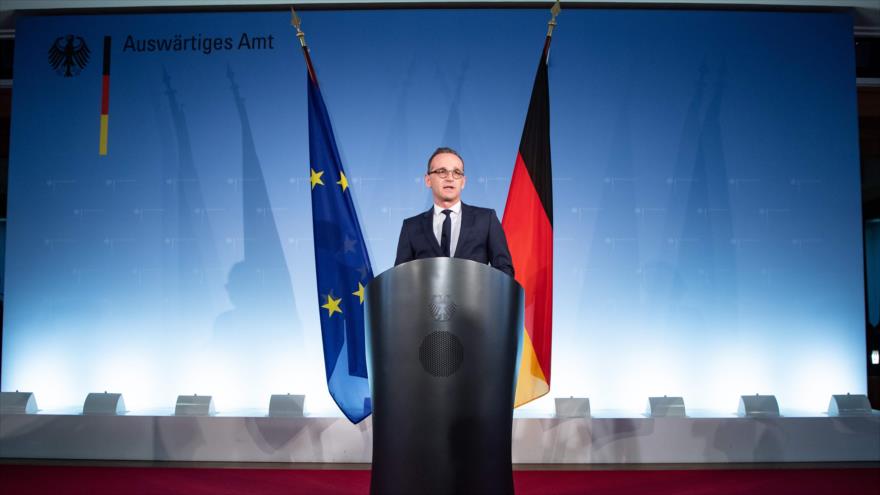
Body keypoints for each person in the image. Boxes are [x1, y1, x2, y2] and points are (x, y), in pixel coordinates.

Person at [394, 147, 515, 277]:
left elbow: (504, 270)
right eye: (442, 171)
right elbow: (401, 278)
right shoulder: (411, 227)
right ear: (428, 180)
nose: (450, 178)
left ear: (463, 182)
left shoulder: (486, 219)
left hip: (476, 297)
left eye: (457, 172)